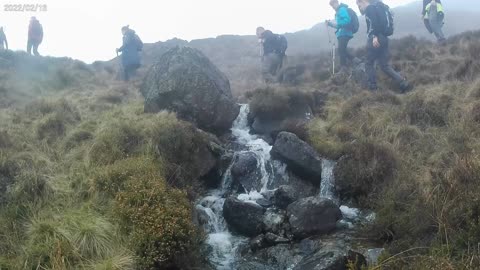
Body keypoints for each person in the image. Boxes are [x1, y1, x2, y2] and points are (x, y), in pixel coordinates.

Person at [356, 0, 411, 92]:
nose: (359, 8)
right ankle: (402, 82)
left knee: (368, 63)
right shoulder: (378, 7)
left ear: (363, 1)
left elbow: (374, 23)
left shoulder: (370, 8)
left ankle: (373, 88)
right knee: (384, 65)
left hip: (375, 38)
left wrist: (374, 36)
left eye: (359, 5)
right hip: (384, 38)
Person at [326, 0, 357, 71]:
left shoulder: (341, 9)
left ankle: (343, 67)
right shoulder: (338, 12)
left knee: (341, 50)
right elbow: (339, 26)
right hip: (342, 33)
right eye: (331, 6)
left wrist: (339, 23)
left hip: (345, 33)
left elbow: (347, 20)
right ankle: (356, 61)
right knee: (342, 50)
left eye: (333, 5)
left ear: (336, 2)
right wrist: (330, 24)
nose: (333, 7)